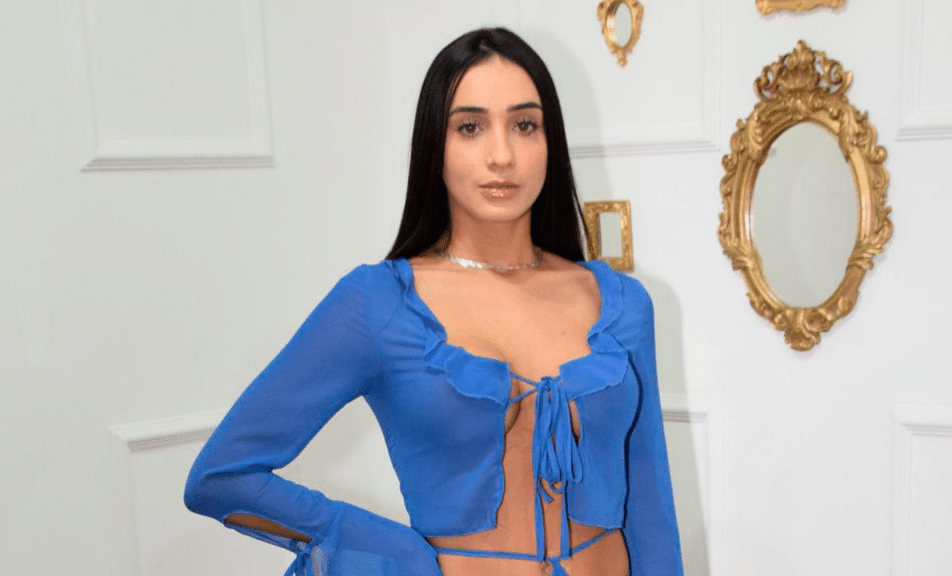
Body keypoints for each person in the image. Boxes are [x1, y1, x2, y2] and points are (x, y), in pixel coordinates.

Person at [184, 27, 683, 576]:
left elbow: (651, 513)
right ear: (435, 147)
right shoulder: (377, 303)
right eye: (470, 127)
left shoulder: (621, 303)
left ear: (551, 142)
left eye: (524, 125)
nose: (502, 155)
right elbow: (221, 476)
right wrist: (394, 549)